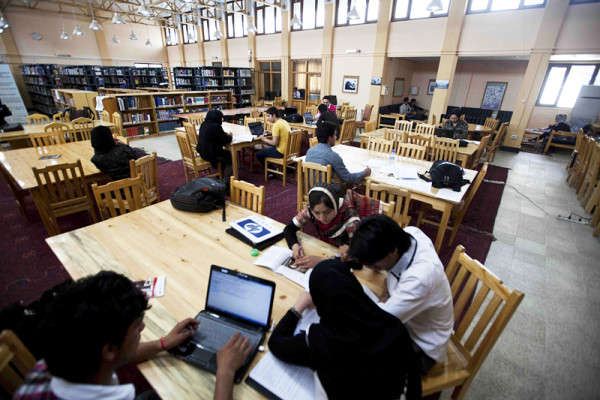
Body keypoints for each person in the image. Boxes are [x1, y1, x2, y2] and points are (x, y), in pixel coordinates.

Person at [13, 271, 251, 400]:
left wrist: (164, 343)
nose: (143, 329)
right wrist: (225, 372)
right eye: (137, 325)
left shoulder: (54, 360)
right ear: (108, 349)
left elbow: (115, 354)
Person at [268, 259, 421, 400]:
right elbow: (414, 384)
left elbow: (276, 343)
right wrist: (384, 297)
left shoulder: (321, 339)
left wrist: (298, 306)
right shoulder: (393, 325)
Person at [348, 215, 454, 375]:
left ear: (393, 251)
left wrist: (384, 296)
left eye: (373, 263)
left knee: (356, 360)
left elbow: (380, 324)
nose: (372, 267)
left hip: (423, 346)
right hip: (410, 321)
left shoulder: (419, 279)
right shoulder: (410, 234)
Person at [284, 182, 383, 269]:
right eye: (317, 213)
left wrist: (322, 261)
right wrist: (294, 245)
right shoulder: (311, 210)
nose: (322, 218)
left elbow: (359, 261)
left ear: (335, 206)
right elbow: (289, 229)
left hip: (341, 261)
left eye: (327, 212)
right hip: (326, 250)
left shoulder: (350, 218)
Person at [306, 121, 370, 185]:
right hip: (326, 192)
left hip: (311, 190)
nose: (336, 137)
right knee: (343, 186)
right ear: (330, 138)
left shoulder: (309, 151)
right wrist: (364, 173)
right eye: (335, 135)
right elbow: (348, 178)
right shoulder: (333, 156)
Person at [197, 109, 233, 182]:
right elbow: (226, 140)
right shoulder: (216, 126)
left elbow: (215, 136)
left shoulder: (204, 124)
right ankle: (226, 179)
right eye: (221, 117)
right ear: (216, 117)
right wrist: (230, 136)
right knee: (232, 157)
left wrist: (222, 135)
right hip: (211, 154)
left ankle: (220, 174)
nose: (222, 119)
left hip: (202, 152)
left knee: (225, 154)